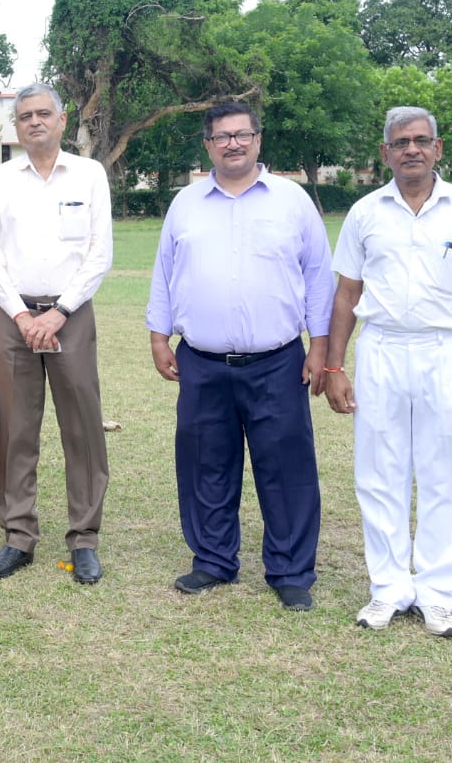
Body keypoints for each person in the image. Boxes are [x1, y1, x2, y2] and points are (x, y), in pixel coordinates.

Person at [323, 107, 452, 638]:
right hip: (381, 347)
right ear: (384, 153)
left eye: (421, 140)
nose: (411, 149)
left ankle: (436, 594)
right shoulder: (365, 212)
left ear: (438, 148)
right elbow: (346, 293)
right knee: (379, 471)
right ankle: (387, 589)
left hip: (446, 350)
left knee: (447, 474)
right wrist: (336, 365)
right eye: (401, 142)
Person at [146, 101, 333, 612]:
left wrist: (321, 346)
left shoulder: (292, 201)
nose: (233, 143)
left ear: (258, 140)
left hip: (278, 361)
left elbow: (319, 277)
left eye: (243, 134)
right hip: (202, 361)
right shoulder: (185, 203)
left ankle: (291, 570)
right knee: (206, 463)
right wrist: (159, 337)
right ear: (207, 145)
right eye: (222, 136)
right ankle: (212, 559)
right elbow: (165, 273)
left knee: (286, 466)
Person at [0, 83, 113, 585]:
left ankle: (84, 538)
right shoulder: (2, 179)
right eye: (25, 116)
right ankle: (18, 535)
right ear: (16, 126)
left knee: (82, 426)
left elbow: (99, 253)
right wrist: (20, 315)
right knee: (15, 429)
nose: (34, 122)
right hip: (13, 318)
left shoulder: (89, 174)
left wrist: (58, 313)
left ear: (61, 120)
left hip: (70, 316)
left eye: (43, 113)